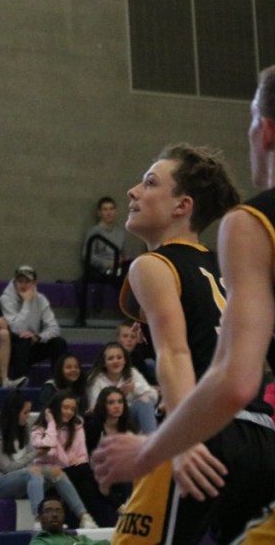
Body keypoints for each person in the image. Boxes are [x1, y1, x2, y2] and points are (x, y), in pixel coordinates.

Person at [96, 143, 275, 545]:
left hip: (203, 429)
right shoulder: (227, 263)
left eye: (149, 182)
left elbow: (175, 352)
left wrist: (181, 441)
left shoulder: (152, 264)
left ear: (182, 206)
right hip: (263, 438)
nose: (132, 192)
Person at [0, 390, 89, 529]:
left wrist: (50, 424)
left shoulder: (24, 429)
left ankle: (84, 516)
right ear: (15, 412)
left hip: (23, 477)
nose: (28, 416)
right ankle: (40, 520)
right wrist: (36, 454)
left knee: (56, 472)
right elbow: (8, 468)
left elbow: (38, 452)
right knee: (34, 472)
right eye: (25, 412)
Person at [31, 392, 99, 529]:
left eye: (72, 409)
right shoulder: (37, 430)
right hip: (46, 476)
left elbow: (83, 456)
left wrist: (73, 462)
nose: (69, 412)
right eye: (65, 407)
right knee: (84, 472)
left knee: (86, 482)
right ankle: (88, 518)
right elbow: (49, 450)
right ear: (55, 408)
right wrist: (51, 424)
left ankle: (83, 524)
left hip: (70, 473)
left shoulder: (77, 426)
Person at [0, 265, 68, 382]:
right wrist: (27, 302)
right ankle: (19, 380)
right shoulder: (5, 300)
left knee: (59, 343)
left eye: (28, 282)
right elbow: (17, 329)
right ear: (14, 282)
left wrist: (38, 337)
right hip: (11, 348)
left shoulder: (41, 299)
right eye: (20, 281)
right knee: (23, 339)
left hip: (31, 344)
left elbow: (54, 328)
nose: (23, 285)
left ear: (35, 283)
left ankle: (57, 382)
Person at [85, 342, 157, 434]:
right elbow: (95, 408)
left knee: (145, 401)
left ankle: (152, 440)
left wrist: (135, 387)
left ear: (124, 361)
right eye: (111, 358)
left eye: (119, 357)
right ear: (104, 363)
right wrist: (120, 395)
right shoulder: (96, 379)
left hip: (129, 418)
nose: (116, 361)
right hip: (107, 421)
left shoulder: (132, 373)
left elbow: (154, 396)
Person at [30, 497, 110, 545]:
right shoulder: (38, 542)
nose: (54, 515)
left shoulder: (79, 539)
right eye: (48, 511)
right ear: (40, 517)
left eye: (59, 511)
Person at [82, 196, 128, 280]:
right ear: (99, 213)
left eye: (111, 209)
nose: (109, 213)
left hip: (119, 269)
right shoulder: (94, 232)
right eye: (105, 209)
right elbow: (87, 256)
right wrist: (107, 264)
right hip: (101, 271)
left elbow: (125, 255)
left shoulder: (121, 233)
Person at [115, 320, 155, 386]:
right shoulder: (112, 356)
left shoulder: (137, 358)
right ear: (118, 338)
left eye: (133, 337)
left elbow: (147, 380)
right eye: (125, 336)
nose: (129, 340)